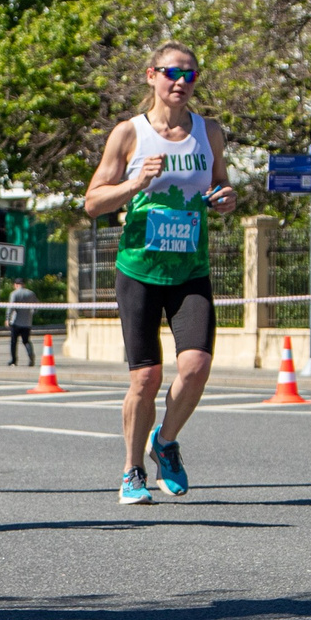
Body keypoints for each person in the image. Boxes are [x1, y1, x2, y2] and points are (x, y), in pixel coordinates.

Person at [82, 45, 235, 505]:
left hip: (190, 269)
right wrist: (133, 184)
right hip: (140, 271)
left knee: (196, 366)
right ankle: (132, 470)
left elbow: (220, 184)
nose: (180, 82)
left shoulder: (209, 132)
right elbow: (92, 202)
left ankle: (164, 442)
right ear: (151, 76)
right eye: (171, 72)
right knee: (146, 378)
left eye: (189, 74)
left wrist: (226, 198)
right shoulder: (129, 134)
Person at [7, 280, 39, 367]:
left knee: (13, 342)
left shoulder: (14, 294)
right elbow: (36, 306)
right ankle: (31, 356)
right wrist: (31, 313)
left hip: (16, 321)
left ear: (16, 285)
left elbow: (11, 307)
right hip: (27, 322)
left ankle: (14, 360)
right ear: (23, 284)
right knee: (26, 341)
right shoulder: (31, 293)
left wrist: (7, 318)